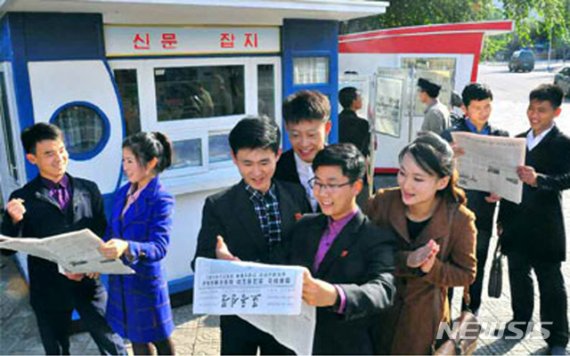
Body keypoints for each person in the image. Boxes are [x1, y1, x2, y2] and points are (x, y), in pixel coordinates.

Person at [1, 123, 126, 355]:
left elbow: (102, 232)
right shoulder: (22, 198)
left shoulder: (89, 189)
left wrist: (97, 264)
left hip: (88, 282)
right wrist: (12, 220)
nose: (59, 158)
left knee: (112, 342)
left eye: (62, 150)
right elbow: (7, 250)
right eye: (49, 153)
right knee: (56, 349)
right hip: (48, 288)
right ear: (32, 158)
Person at [192, 117, 311, 355]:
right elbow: (199, 261)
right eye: (247, 163)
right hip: (240, 314)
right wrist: (219, 263)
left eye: (264, 162)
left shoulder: (296, 194)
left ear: (278, 154)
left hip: (286, 310)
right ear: (234, 158)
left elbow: (308, 245)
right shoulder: (219, 205)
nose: (257, 172)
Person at [366, 132, 477, 354]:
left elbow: (466, 274)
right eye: (402, 173)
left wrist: (432, 268)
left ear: (442, 181)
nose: (406, 185)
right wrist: (407, 259)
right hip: (377, 314)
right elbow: (363, 252)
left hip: (425, 323)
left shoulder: (460, 219)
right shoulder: (382, 202)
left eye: (418, 179)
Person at [289, 143, 396, 355]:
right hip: (299, 344)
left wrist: (336, 296)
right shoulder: (304, 225)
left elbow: (383, 290)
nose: (322, 193)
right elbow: (277, 263)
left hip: (346, 347)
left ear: (356, 187)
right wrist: (242, 267)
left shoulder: (374, 237)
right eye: (317, 183)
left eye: (332, 185)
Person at [496, 84, 569, 355]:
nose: (534, 115)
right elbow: (506, 181)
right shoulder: (517, 141)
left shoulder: (563, 144)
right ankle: (520, 322)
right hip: (515, 221)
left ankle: (558, 338)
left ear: (556, 112)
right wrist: (501, 216)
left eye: (542, 110)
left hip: (545, 224)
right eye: (531, 108)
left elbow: (567, 179)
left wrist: (540, 180)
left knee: (550, 282)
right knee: (518, 276)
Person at [99, 132, 176, 355]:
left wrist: (127, 247)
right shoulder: (123, 192)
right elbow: (111, 231)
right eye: (123, 160)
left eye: (129, 161)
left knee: (160, 338)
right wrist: (98, 255)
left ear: (151, 162)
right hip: (121, 280)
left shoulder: (161, 198)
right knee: (136, 339)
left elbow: (159, 246)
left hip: (145, 282)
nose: (125, 166)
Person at [441, 82, 509, 315]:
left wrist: (501, 190)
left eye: (488, 106)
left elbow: (508, 173)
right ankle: (445, 316)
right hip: (451, 211)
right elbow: (429, 171)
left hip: (483, 211)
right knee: (448, 262)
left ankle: (470, 313)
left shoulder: (501, 136)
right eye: (478, 107)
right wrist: (446, 156)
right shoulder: (448, 136)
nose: (483, 112)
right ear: (465, 108)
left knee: (477, 261)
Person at [275, 90, 331, 212]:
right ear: (286, 128)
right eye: (295, 135)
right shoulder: (276, 169)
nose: (304, 144)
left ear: (327, 128)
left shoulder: (345, 166)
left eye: (311, 135)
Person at [338, 87, 373, 209]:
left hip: (339, 164)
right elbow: (363, 149)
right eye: (359, 97)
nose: (361, 100)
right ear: (353, 101)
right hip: (357, 164)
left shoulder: (336, 120)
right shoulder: (362, 123)